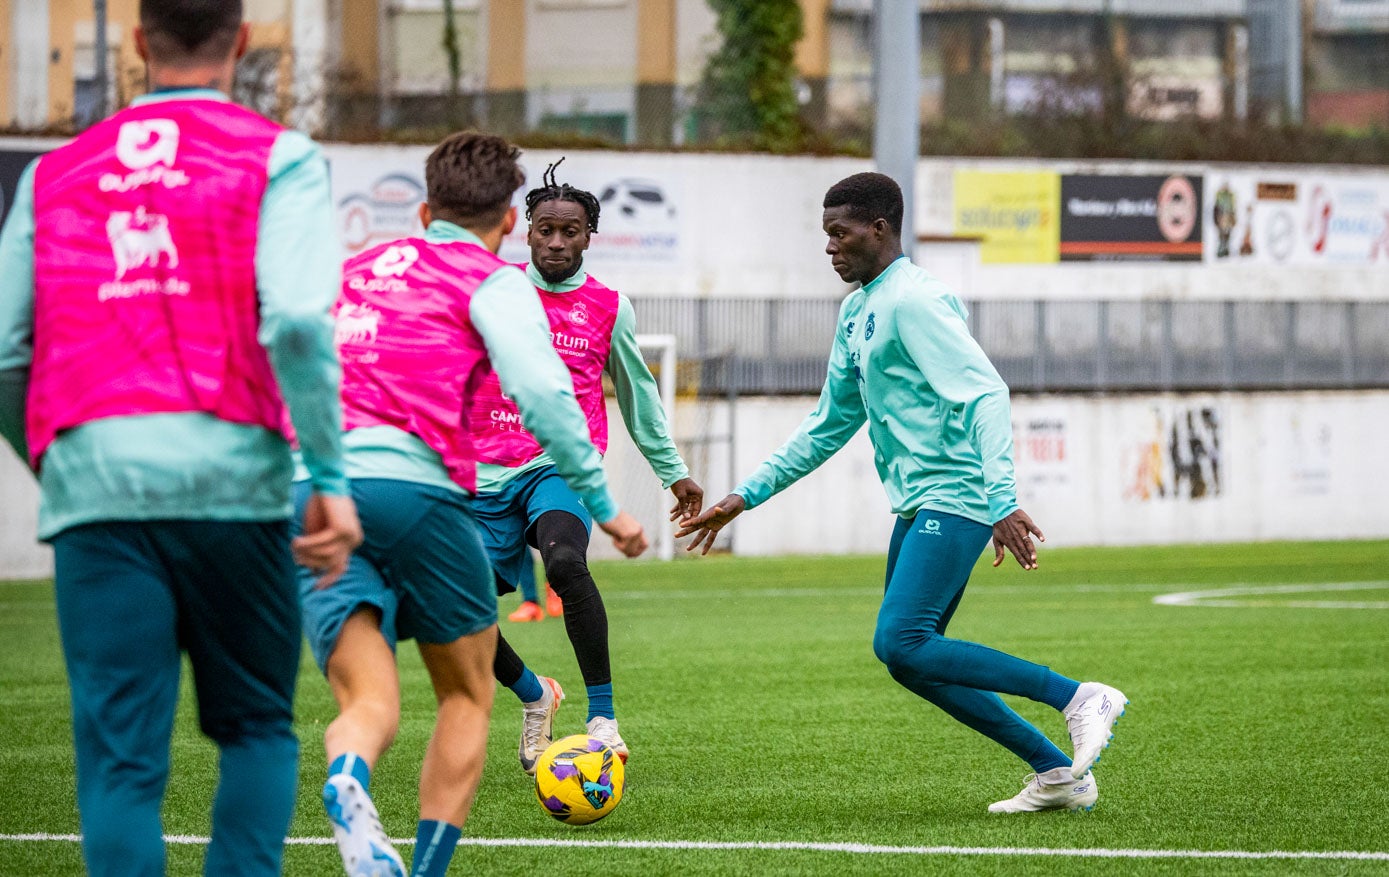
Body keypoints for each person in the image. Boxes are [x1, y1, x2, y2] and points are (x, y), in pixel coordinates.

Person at [0, 1, 359, 873]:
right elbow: (302, 327)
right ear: (239, 41)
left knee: (120, 765)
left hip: (96, 488)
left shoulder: (53, 174)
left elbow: (7, 350)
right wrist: (329, 476)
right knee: (255, 729)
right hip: (236, 484)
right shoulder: (279, 157)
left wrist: (61, 466)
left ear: (135, 42)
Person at [676, 172, 1128, 814]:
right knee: (912, 659)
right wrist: (745, 496)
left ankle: (1079, 697)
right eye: (825, 235)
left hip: (959, 493)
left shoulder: (914, 300)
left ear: (880, 230)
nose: (830, 248)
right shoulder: (857, 311)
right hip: (919, 503)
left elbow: (985, 393)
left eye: (841, 234)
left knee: (901, 640)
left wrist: (1000, 500)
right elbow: (829, 423)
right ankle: (1059, 772)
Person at [298, 133, 647, 877]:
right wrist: (607, 504)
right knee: (462, 690)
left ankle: (350, 770)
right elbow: (545, 392)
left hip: (315, 490)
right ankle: (423, 868)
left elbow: (289, 348)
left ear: (425, 209)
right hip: (419, 491)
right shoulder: (493, 282)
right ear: (506, 226)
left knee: (367, 694)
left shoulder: (354, 270)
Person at [470, 160, 703, 773]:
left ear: (588, 236)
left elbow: (637, 394)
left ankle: (602, 716)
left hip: (560, 467)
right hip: (482, 472)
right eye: (545, 229)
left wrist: (672, 471)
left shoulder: (607, 306)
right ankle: (535, 695)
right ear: (525, 231)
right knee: (451, 606)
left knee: (566, 562)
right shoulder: (492, 293)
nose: (555, 241)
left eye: (569, 231)